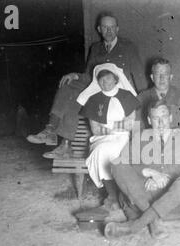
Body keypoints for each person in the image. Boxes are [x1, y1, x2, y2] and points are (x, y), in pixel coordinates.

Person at [26, 11, 147, 159]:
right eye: (105, 27)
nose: (109, 31)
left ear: (117, 29)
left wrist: (144, 102)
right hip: (97, 86)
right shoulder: (95, 48)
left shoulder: (128, 47)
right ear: (99, 29)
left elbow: (139, 76)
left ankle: (65, 145)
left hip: (116, 91)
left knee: (79, 98)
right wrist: (75, 75)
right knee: (68, 85)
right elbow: (90, 75)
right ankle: (50, 130)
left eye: (112, 27)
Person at [104, 100, 180, 239]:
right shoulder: (140, 137)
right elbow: (123, 162)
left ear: (170, 118)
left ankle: (137, 225)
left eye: (164, 117)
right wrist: (149, 173)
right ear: (149, 120)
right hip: (144, 194)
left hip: (171, 197)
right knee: (117, 166)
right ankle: (153, 219)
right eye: (155, 118)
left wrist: (166, 180)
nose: (161, 123)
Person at [78, 63, 140, 209]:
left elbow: (130, 124)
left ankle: (120, 194)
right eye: (101, 80)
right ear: (97, 82)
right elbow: (95, 130)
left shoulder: (127, 96)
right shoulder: (93, 100)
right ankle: (111, 194)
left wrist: (108, 127)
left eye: (108, 79)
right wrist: (117, 126)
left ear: (116, 79)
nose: (105, 83)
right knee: (102, 150)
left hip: (124, 137)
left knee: (114, 151)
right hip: (101, 139)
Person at [137, 58, 180, 130]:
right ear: (152, 77)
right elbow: (137, 128)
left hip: (176, 139)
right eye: (157, 74)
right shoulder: (141, 98)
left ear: (170, 77)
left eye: (166, 74)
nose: (162, 78)